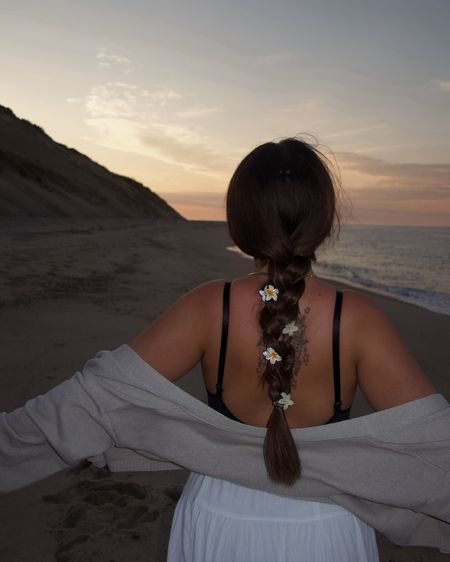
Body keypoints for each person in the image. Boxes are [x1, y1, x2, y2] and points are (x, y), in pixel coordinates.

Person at [127, 137, 437, 562]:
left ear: (240, 221)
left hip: (218, 519)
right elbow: (432, 441)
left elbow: (103, 398)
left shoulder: (206, 307)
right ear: (324, 221)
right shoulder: (358, 318)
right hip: (325, 529)